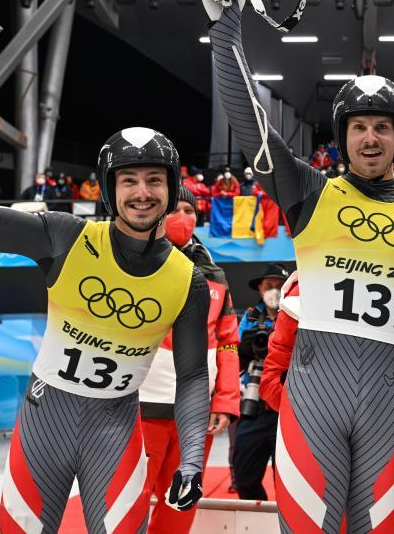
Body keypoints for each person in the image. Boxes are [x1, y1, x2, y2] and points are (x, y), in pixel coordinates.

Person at [200, 0, 394, 532]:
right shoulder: (309, 193)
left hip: (392, 407)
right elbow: (252, 126)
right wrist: (225, 32)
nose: (370, 138)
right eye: (359, 127)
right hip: (313, 405)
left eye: (382, 127)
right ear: (342, 135)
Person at [0, 77, 211, 531]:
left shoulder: (189, 280)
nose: (142, 192)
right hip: (44, 424)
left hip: (116, 431)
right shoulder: (64, 235)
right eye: (128, 180)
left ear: (171, 188)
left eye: (155, 179)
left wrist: (191, 459)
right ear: (109, 190)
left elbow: (192, 377)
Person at [138, 186, 239, 533]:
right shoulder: (132, 263)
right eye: (174, 209)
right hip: (142, 408)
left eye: (189, 210)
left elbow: (228, 343)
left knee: (181, 504)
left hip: (196, 415)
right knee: (127, 502)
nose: (182, 217)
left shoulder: (215, 275)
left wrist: (224, 401)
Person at [234, 263, 289, 501]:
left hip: (286, 405)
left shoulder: (299, 316)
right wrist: (245, 349)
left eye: (279, 286)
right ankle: (259, 517)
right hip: (253, 403)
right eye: (269, 286)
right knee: (244, 478)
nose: (274, 291)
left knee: (286, 481)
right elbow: (234, 357)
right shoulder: (250, 316)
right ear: (260, 288)